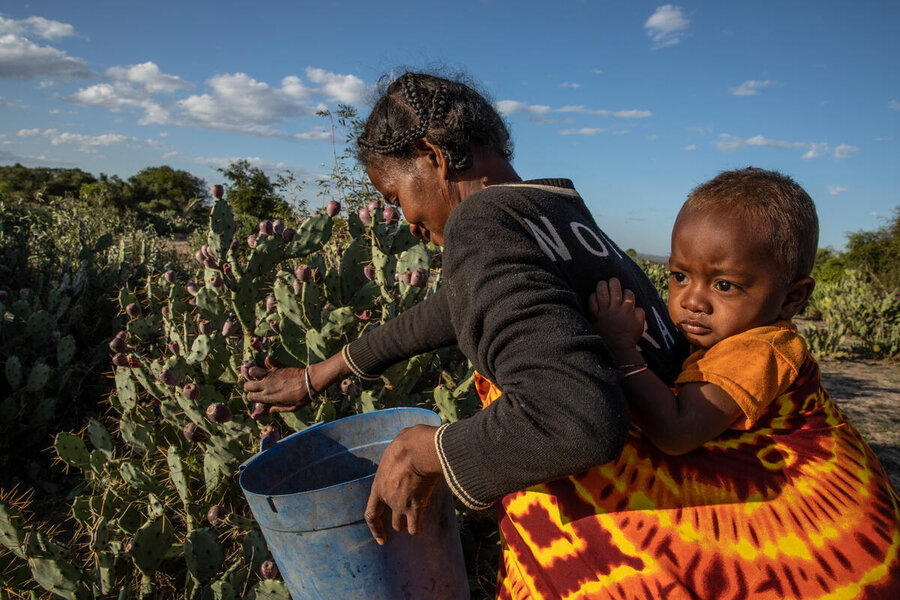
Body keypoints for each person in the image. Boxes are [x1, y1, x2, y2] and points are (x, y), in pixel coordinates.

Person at [243, 71, 689, 592]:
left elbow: (576, 420)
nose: (405, 220)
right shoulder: (555, 209)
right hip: (681, 514)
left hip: (626, 553)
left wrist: (422, 451)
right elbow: (459, 306)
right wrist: (325, 371)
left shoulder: (480, 222)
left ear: (432, 154)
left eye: (394, 195)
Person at [578, 167, 899, 598]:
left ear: (791, 298)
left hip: (833, 548)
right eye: (679, 277)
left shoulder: (758, 349)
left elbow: (676, 432)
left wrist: (622, 350)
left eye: (724, 285)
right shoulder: (727, 335)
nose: (692, 299)